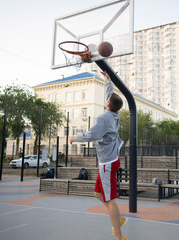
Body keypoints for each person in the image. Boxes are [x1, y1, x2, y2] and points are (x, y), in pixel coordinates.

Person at [70, 71, 127, 240]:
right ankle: (117, 217)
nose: (106, 100)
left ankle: (119, 236)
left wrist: (74, 138)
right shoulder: (114, 113)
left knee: (109, 200)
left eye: (107, 100)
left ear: (107, 104)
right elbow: (111, 97)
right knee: (97, 194)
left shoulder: (103, 118)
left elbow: (91, 135)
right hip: (109, 160)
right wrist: (108, 81)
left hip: (107, 164)